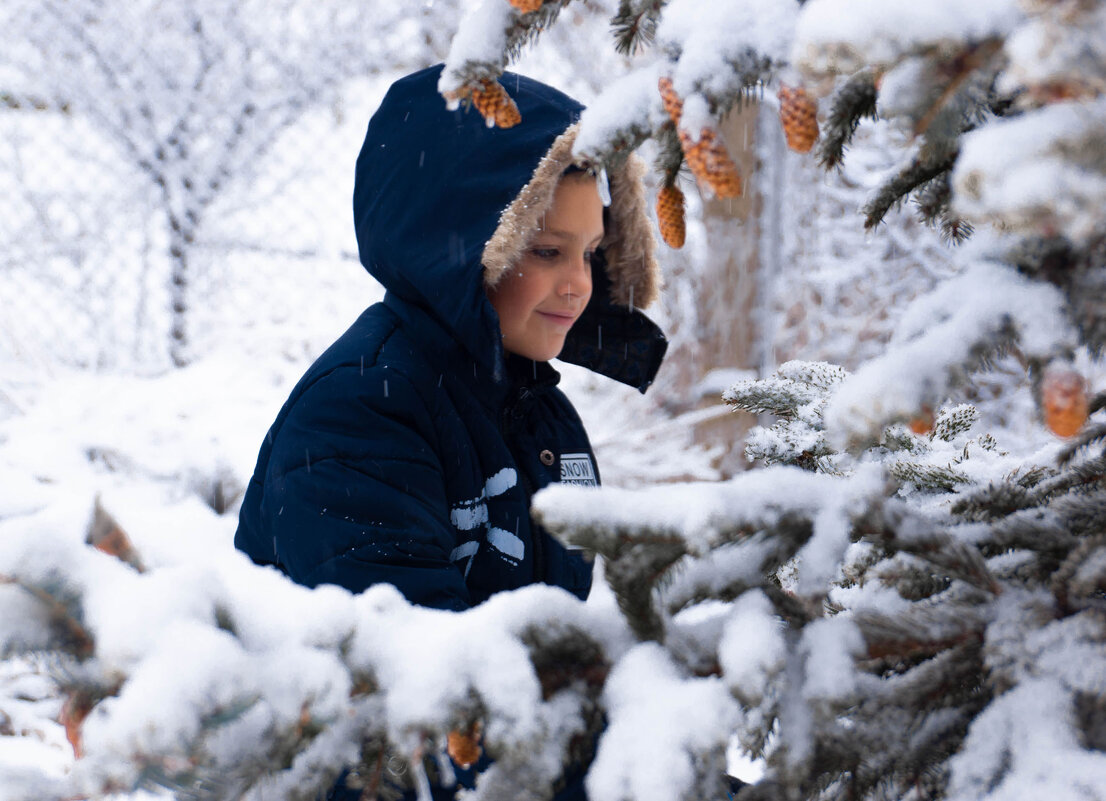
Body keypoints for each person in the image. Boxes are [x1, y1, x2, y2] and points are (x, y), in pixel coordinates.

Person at [234, 64, 667, 797]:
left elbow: (552, 675)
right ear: (463, 246)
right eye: (547, 251)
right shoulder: (365, 409)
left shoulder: (538, 412)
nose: (580, 285)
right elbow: (432, 701)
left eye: (591, 254)